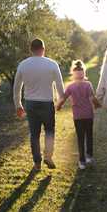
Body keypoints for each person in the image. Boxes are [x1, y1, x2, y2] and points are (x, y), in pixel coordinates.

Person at [13, 38, 64, 171]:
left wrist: (18, 105)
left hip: (31, 104)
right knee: (49, 131)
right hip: (47, 103)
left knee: (34, 134)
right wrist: (60, 101)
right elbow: (60, 86)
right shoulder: (52, 64)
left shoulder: (23, 64)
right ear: (43, 49)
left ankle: (37, 163)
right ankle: (48, 156)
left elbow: (16, 87)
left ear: (31, 50)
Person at [56, 60, 101, 170]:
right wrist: (97, 105)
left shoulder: (70, 87)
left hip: (78, 116)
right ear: (84, 73)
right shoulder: (88, 84)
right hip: (88, 115)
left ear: (73, 74)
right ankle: (89, 156)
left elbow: (63, 98)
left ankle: (82, 161)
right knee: (89, 135)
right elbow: (92, 98)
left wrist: (58, 106)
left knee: (80, 138)